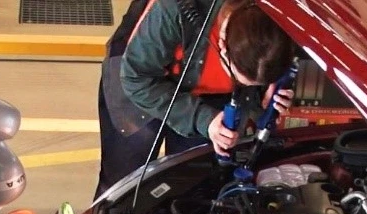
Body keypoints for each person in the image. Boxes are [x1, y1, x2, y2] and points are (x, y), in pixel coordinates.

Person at [94, 0, 298, 197]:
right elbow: (136, 78)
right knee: (122, 183)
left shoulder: (279, 15)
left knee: (191, 182)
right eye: (239, 78)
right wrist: (204, 119)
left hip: (208, 94)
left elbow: (264, 65)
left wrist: (262, 97)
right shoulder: (175, 8)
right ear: (222, 46)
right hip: (141, 75)